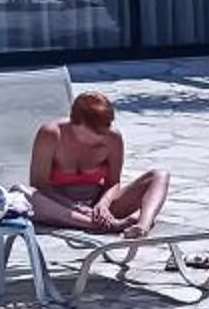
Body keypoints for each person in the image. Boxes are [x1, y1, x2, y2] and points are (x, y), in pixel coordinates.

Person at [28, 89, 170, 240]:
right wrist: (77, 208)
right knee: (24, 195)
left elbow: (113, 182)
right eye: (96, 132)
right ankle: (103, 225)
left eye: (105, 129)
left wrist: (103, 204)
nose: (102, 137)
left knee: (159, 175)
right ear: (76, 123)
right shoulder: (51, 134)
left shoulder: (112, 137)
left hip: (97, 203)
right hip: (59, 205)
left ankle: (142, 226)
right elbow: (39, 184)